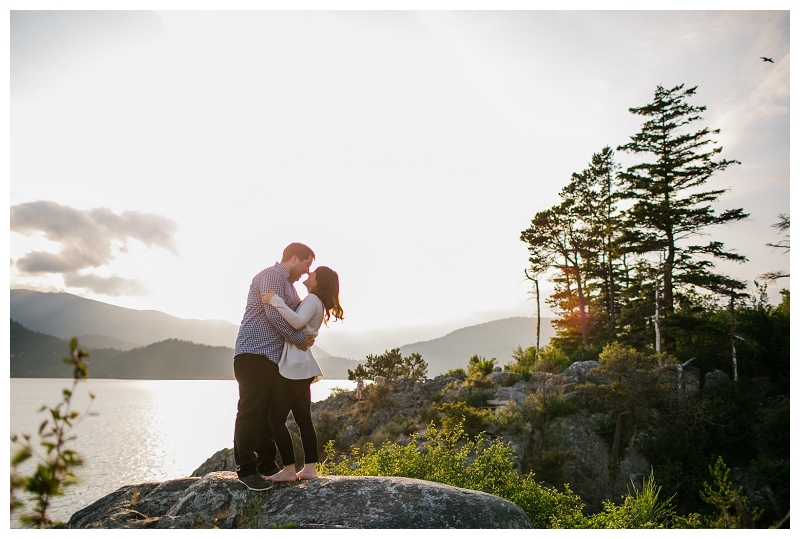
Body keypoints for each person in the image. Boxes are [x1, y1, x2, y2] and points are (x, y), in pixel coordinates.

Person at [231, 242, 315, 491]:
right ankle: (246, 470)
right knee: (251, 412)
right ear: (295, 258)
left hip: (271, 358)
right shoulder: (270, 276)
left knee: (267, 416)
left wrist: (310, 330)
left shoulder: (288, 286)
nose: (306, 272)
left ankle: (267, 465)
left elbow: (298, 316)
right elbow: (275, 316)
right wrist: (301, 340)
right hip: (253, 354)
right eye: (307, 264)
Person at [260, 266, 344, 481]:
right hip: (302, 366)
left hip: (295, 368)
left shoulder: (312, 300)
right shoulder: (315, 302)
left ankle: (289, 469)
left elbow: (296, 322)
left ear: (318, 281)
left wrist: (275, 300)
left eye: (312, 273)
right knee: (303, 420)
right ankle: (309, 469)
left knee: (275, 419)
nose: (308, 275)